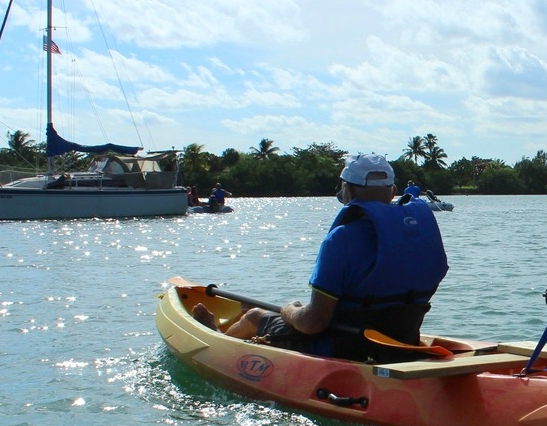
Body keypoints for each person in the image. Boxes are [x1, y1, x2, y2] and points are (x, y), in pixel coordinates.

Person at [192, 152, 448, 361]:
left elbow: (314, 323)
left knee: (254, 316)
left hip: (341, 349)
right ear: (392, 192)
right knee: (272, 311)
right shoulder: (415, 236)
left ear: (347, 191)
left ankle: (216, 336)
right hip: (401, 341)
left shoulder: (342, 239)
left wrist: (289, 311)